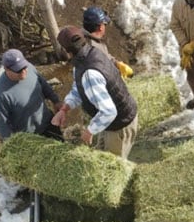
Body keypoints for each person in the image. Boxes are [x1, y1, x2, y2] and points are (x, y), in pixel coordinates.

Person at [53, 25, 139, 159]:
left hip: (120, 124)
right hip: (111, 122)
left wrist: (89, 131)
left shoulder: (89, 73)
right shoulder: (88, 55)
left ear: (67, 51)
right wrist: (64, 108)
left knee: (113, 169)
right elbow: (78, 89)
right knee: (102, 156)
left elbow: (108, 111)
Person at [0, 48, 62, 141]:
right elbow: (3, 125)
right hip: (28, 138)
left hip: (47, 124)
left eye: (24, 67)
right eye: (19, 70)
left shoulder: (30, 68)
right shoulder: (0, 94)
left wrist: (56, 101)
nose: (24, 71)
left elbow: (44, 85)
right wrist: (11, 144)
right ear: (6, 69)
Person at [82, 5, 134, 79]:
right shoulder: (93, 48)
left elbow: (105, 57)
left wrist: (117, 63)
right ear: (100, 27)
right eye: (105, 25)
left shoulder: (83, 37)